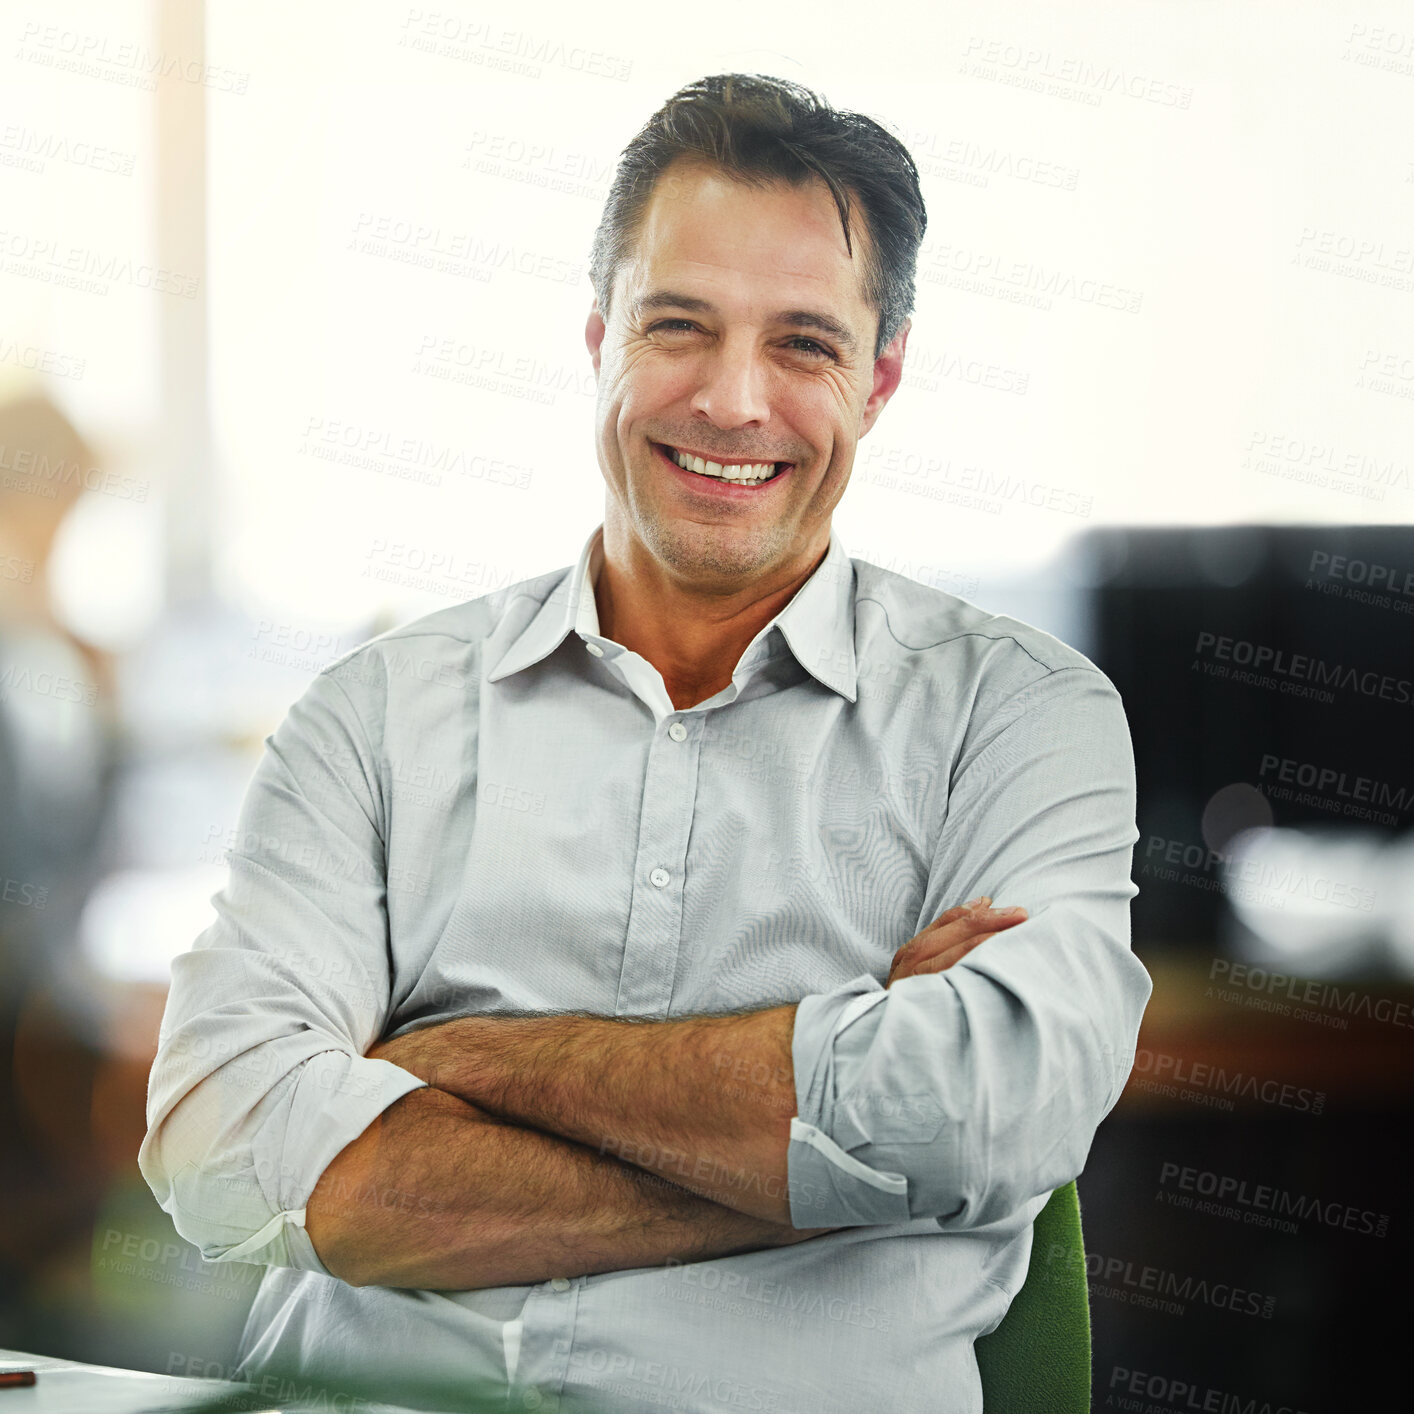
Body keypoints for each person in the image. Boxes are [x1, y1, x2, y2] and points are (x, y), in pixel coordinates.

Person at [139, 73, 1152, 1414]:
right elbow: (221, 1147)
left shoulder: (1020, 717)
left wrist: (458, 1059)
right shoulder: (375, 715)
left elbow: (984, 1114)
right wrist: (838, 1139)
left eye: (802, 343)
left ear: (880, 376)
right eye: (679, 326)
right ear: (598, 335)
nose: (733, 401)